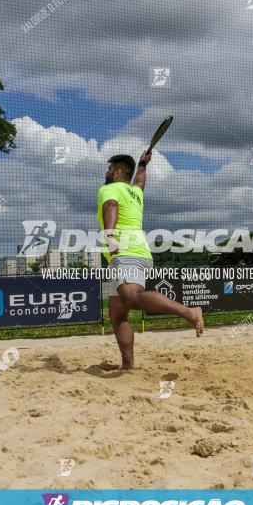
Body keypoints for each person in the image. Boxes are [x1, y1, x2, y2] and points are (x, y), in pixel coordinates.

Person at [98, 151, 203, 369]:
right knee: (117, 314)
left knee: (131, 297)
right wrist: (143, 165)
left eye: (109, 169)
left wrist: (109, 236)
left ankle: (189, 312)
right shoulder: (135, 192)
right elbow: (139, 181)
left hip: (124, 251)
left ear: (117, 172)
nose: (106, 173)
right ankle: (128, 365)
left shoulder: (108, 189)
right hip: (138, 253)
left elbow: (111, 206)